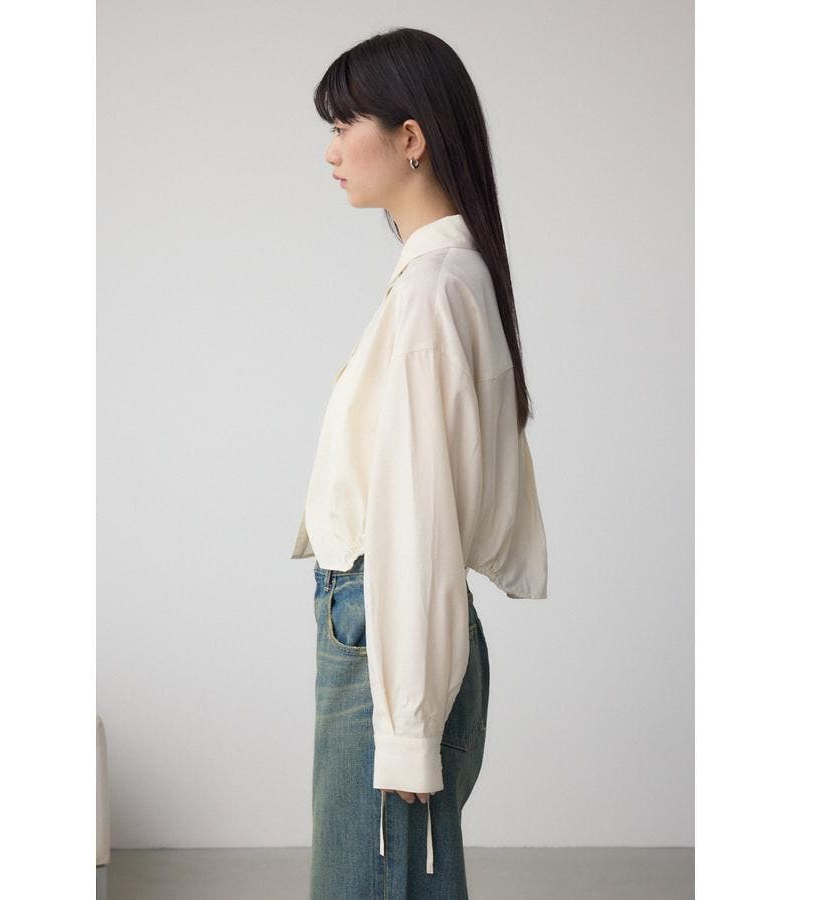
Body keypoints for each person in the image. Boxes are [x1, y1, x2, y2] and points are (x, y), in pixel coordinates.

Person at [291, 26, 549, 900]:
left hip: (384, 628)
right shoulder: (448, 277)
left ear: (410, 138)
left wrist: (405, 731)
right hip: (391, 626)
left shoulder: (434, 290)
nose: (331, 151)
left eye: (344, 126)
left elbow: (415, 518)